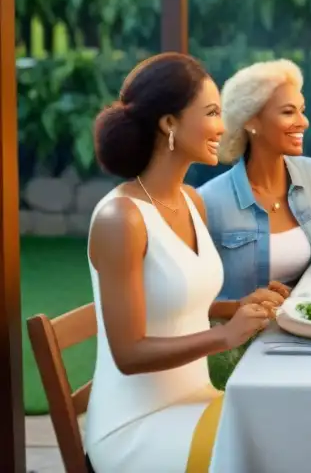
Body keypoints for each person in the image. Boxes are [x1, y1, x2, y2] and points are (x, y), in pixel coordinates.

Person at [86, 53, 287, 473]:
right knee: (278, 450)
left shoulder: (190, 202)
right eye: (212, 112)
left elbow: (178, 305)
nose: (223, 126)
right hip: (139, 429)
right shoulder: (120, 219)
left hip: (198, 403)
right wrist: (226, 336)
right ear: (168, 123)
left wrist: (243, 308)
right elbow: (128, 352)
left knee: (294, 426)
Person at [199, 59, 311, 300]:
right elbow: (190, 301)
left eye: (301, 110)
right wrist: (240, 306)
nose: (303, 122)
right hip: (243, 334)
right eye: (288, 112)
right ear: (251, 121)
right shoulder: (209, 201)